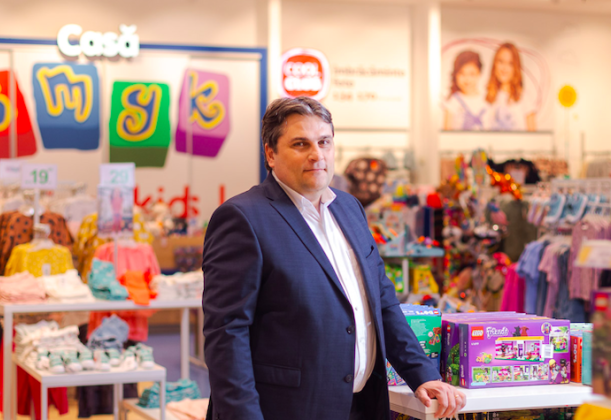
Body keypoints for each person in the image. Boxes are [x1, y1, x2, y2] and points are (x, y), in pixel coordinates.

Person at [202, 97, 465, 420]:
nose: (317, 154)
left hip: (361, 406)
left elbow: (382, 302)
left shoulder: (349, 208)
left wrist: (422, 373)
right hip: (286, 410)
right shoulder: (243, 218)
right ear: (270, 153)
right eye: (300, 144)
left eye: (324, 142)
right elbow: (227, 332)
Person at [485, 42, 537, 131]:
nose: (504, 68)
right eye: (501, 61)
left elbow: (533, 134)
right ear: (494, 63)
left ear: (516, 67)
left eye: (510, 63)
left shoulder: (524, 97)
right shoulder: (486, 96)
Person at [444, 50, 490, 131]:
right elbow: (447, 132)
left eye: (472, 74)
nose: (467, 79)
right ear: (455, 75)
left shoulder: (486, 99)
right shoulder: (453, 101)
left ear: (479, 73)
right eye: (462, 73)